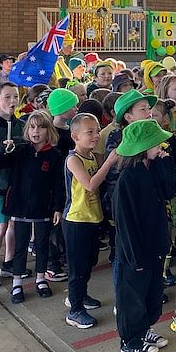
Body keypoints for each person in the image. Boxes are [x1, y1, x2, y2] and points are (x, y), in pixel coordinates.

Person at [112, 119, 175, 352]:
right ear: (142, 147)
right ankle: (130, 339)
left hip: (154, 243)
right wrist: (133, 256)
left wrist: (165, 163)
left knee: (152, 290)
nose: (161, 147)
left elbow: (169, 191)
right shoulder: (128, 178)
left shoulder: (152, 168)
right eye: (156, 144)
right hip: (135, 249)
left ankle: (145, 329)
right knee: (133, 295)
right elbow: (125, 222)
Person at [0, 110, 64, 302]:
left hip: (43, 209)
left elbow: (58, 184)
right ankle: (17, 283)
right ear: (27, 130)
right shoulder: (18, 150)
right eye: (32, 127)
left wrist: (57, 207)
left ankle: (40, 278)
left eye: (41, 127)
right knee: (19, 246)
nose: (36, 131)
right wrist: (2, 149)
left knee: (42, 245)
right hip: (19, 207)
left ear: (49, 131)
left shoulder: (54, 155)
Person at [63, 113, 119, 329]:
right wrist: (109, 162)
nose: (96, 136)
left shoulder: (93, 157)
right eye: (90, 132)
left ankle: (82, 295)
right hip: (76, 220)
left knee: (89, 262)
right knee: (77, 267)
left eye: (97, 131)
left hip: (93, 218)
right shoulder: (73, 159)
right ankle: (75, 309)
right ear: (75, 136)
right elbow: (90, 184)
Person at [0, 82, 27, 288]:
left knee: (13, 226)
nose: (12, 101)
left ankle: (9, 262)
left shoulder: (21, 125)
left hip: (17, 185)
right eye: (7, 97)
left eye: (16, 97)